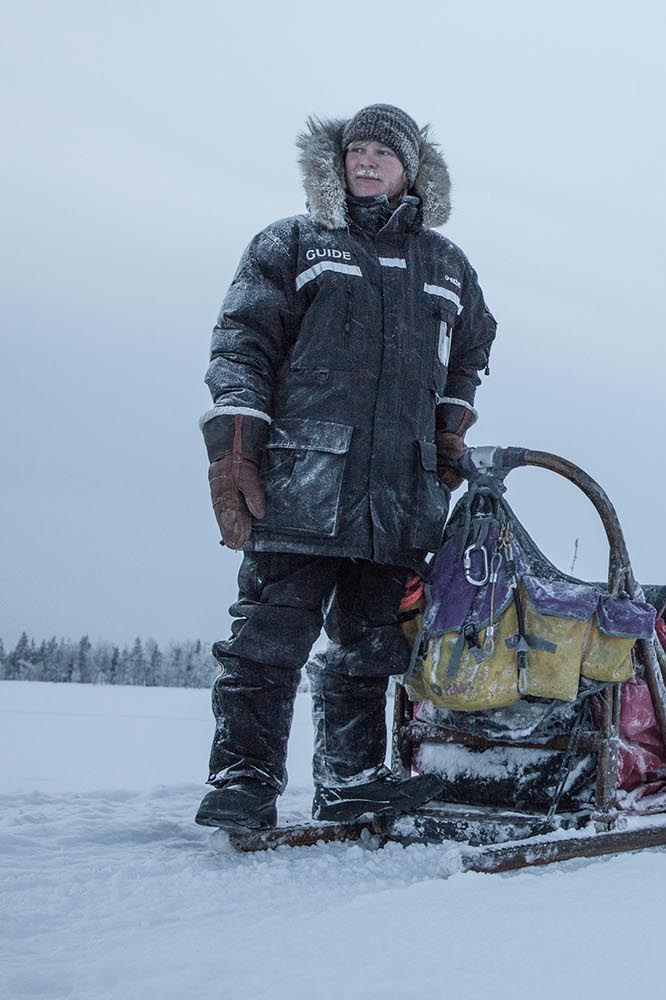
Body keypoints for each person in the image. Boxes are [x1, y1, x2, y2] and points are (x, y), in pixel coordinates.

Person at [195, 104, 496, 832]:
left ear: (410, 170)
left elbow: (472, 350)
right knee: (267, 640)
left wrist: (448, 431)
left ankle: (352, 779)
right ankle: (244, 780)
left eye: (381, 154)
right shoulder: (294, 242)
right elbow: (241, 344)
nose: (366, 163)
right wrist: (236, 447)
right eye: (355, 151)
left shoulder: (447, 265)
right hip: (303, 486)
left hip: (398, 493)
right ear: (336, 163)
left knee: (370, 646)